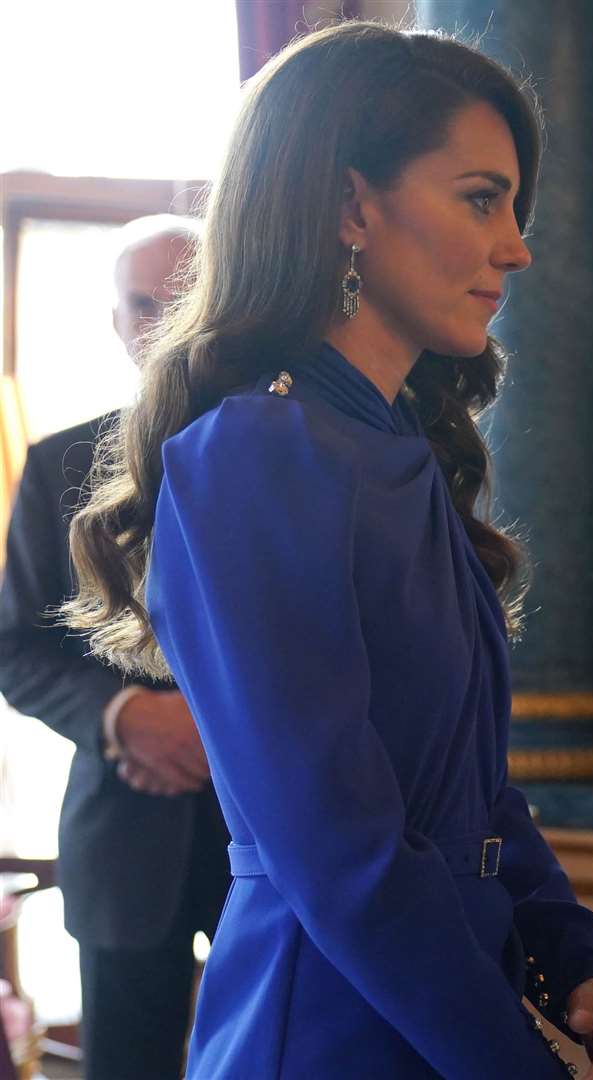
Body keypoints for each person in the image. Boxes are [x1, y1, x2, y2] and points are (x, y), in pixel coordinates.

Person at [61, 23, 593, 1079]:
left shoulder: (395, 447)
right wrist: (515, 1060)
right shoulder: (257, 456)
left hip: (439, 1006)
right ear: (349, 207)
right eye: (479, 198)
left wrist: (573, 950)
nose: (515, 244)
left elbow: (472, 794)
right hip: (328, 1024)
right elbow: (340, 850)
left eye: (513, 205)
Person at [0, 215, 230, 1080]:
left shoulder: (288, 457)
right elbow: (14, 646)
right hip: (124, 841)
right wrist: (127, 718)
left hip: (273, 833)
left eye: (180, 297)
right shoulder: (59, 465)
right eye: (142, 305)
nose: (162, 323)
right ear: (117, 322)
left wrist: (216, 728)